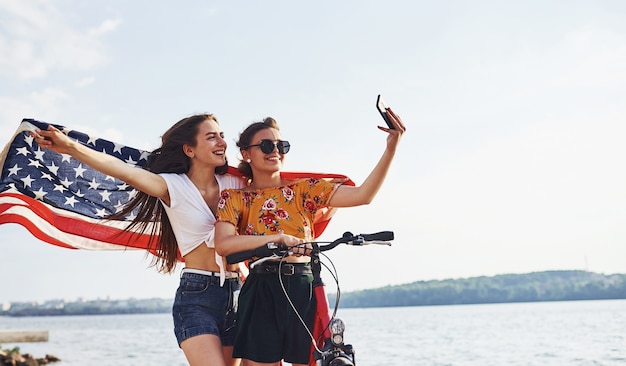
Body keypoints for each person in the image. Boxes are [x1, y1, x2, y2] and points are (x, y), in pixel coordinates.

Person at [32, 114, 245, 366]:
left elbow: (278, 183)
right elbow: (125, 172)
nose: (222, 142)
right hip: (198, 295)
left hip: (238, 293)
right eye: (211, 137)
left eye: (221, 135)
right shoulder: (173, 186)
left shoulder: (237, 183)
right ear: (189, 149)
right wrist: (71, 147)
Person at [214, 109, 406, 366]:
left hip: (304, 285)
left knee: (316, 360)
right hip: (261, 289)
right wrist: (277, 238)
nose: (276, 151)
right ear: (246, 153)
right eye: (267, 145)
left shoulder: (304, 189)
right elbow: (224, 244)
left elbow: (363, 195)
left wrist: (391, 147)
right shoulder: (235, 198)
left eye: (282, 145)